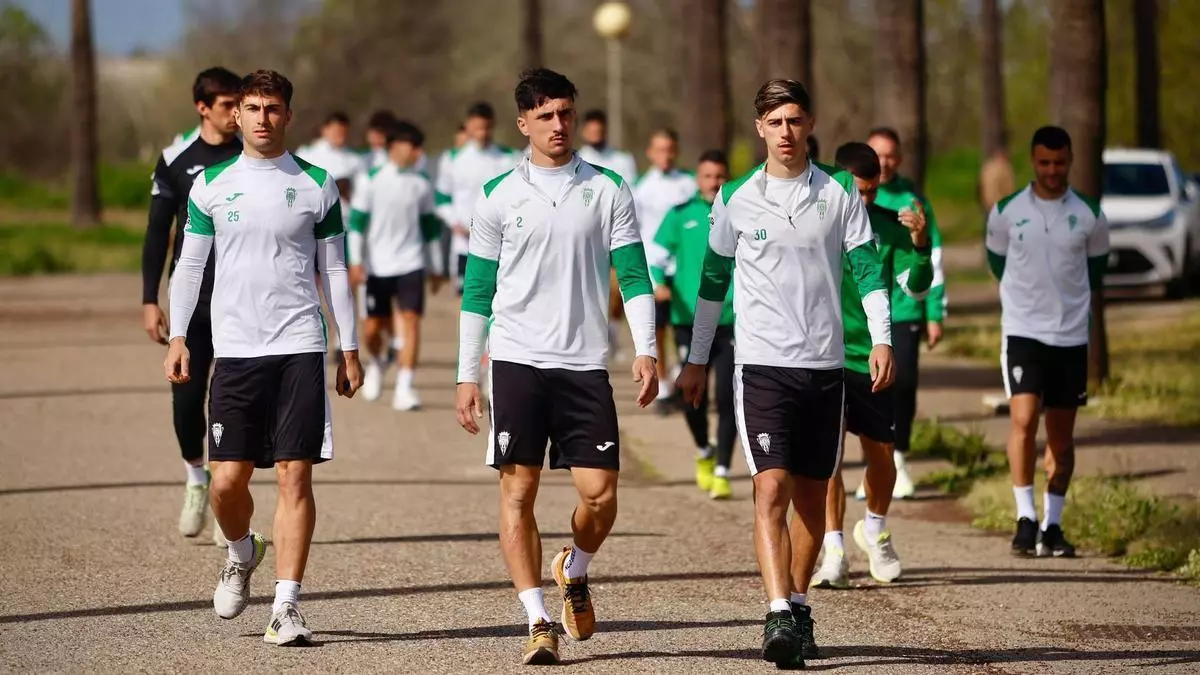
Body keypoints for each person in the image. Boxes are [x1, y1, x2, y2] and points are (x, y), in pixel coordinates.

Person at [676, 79, 891, 669]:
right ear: (760, 129)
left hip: (825, 366)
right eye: (775, 122)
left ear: (810, 124)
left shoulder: (839, 191)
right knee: (771, 487)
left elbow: (867, 268)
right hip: (763, 366)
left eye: (795, 120)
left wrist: (881, 338)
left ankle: (797, 606)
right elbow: (713, 283)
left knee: (813, 499)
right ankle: (776, 612)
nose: (786, 132)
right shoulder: (736, 197)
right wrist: (696, 358)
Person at [454, 68, 658, 666]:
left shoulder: (608, 188)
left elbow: (634, 275)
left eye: (565, 113)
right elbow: (477, 291)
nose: (558, 124)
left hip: (584, 362)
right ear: (524, 123)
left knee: (601, 495)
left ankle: (576, 566)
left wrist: (646, 347)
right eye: (545, 116)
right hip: (517, 359)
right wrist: (467, 375)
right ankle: (537, 620)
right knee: (519, 492)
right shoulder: (497, 194)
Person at [164, 69, 364, 647]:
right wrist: (179, 336)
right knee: (227, 483)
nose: (261, 118)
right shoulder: (211, 184)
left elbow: (333, 269)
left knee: (295, 475)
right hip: (235, 350)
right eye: (251, 108)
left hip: (299, 344)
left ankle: (286, 605)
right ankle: (240, 550)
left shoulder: (316, 184)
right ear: (236, 115)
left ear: (288, 116)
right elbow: (190, 265)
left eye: (272, 108)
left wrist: (348, 346)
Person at [808, 142, 933, 591]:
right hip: (822, 357)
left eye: (873, 191)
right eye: (858, 191)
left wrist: (921, 246)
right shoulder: (813, 221)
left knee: (882, 455)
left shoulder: (887, 226)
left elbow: (916, 290)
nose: (865, 200)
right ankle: (834, 551)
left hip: (872, 356)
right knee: (829, 460)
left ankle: (876, 530)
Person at [984, 125, 1109, 558]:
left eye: (1059, 163)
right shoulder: (1006, 211)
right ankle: (1025, 518)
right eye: (1044, 163)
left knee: (1061, 435)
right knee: (1023, 419)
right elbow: (997, 263)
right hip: (1022, 332)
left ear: (1070, 161)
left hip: (1069, 337)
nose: (1052, 170)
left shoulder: (1090, 215)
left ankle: (1053, 525)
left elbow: (1095, 272)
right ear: (1033, 162)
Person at [141, 66, 243, 546]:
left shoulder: (252, 156)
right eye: (227, 104)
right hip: (193, 302)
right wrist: (150, 299)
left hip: (242, 302)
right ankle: (197, 480)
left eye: (239, 103)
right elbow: (156, 233)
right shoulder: (175, 159)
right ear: (203, 107)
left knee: (232, 402)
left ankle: (227, 495)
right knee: (186, 402)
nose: (236, 113)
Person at [860, 127, 946, 500]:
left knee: (904, 384)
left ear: (899, 158)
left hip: (904, 308)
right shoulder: (849, 199)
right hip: (862, 314)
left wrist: (934, 312)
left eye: (890, 155)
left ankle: (899, 458)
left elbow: (932, 258)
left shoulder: (912, 200)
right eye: (877, 154)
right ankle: (872, 465)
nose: (884, 162)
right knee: (864, 390)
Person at [651, 149, 737, 500]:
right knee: (692, 396)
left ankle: (723, 470)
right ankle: (704, 449)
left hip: (732, 319)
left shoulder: (741, 211)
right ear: (697, 179)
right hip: (689, 319)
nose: (714, 183)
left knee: (728, 396)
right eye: (708, 176)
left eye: (720, 176)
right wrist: (659, 282)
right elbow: (656, 255)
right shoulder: (680, 215)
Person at [348, 120, 446, 411]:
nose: (418, 152)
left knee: (411, 320)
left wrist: (436, 266)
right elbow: (356, 225)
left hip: (411, 263)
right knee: (372, 329)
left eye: (419, 147)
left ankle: (405, 387)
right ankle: (379, 361)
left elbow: (430, 229)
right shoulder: (371, 180)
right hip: (377, 267)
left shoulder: (422, 184)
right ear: (395, 147)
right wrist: (355, 262)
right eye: (413, 146)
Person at [634, 128, 697, 413]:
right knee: (657, 328)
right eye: (659, 149)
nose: (665, 155)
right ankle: (661, 387)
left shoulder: (689, 183)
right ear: (650, 153)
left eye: (670, 149)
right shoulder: (641, 188)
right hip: (653, 268)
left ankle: (680, 375)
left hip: (683, 268)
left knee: (685, 328)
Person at [436, 101, 521, 296]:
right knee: (467, 301)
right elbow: (441, 200)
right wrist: (455, 224)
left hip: (501, 246)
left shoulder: (509, 158)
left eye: (486, 127)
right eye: (477, 128)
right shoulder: (452, 159)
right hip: (464, 246)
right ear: (468, 126)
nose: (482, 133)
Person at [295, 111, 365, 213]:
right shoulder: (306, 155)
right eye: (336, 132)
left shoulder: (355, 160)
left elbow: (361, 193)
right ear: (325, 130)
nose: (340, 136)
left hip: (343, 216)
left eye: (343, 132)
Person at [577, 109, 638, 185]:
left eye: (598, 132)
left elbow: (631, 189)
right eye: (592, 132)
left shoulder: (624, 160)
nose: (595, 136)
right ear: (584, 132)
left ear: (605, 130)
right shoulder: (576, 161)